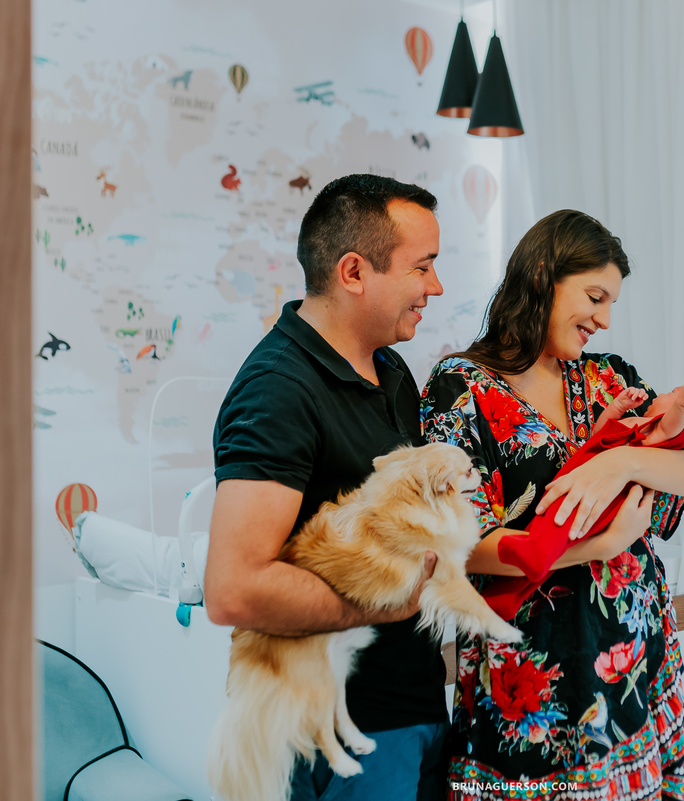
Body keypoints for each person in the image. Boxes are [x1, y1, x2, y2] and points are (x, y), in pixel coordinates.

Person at [421, 209, 684, 800]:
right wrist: (604, 544)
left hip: (634, 665)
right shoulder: (461, 389)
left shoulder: (611, 381)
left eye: (611, 303)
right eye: (595, 296)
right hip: (529, 675)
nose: (604, 319)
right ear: (542, 274)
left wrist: (625, 462)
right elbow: (458, 547)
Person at [205, 174, 450, 801]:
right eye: (422, 268)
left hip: (412, 708)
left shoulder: (391, 370)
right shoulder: (278, 391)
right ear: (353, 272)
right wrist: (385, 603)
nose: (435, 288)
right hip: (337, 733)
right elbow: (233, 590)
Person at [484, 347, 684, 618]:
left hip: (598, 499)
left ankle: (534, 555)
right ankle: (502, 597)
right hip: (575, 483)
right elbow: (598, 437)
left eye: (674, 392)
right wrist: (618, 407)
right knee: (542, 540)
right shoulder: (638, 422)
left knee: (552, 534)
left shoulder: (662, 435)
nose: (665, 393)